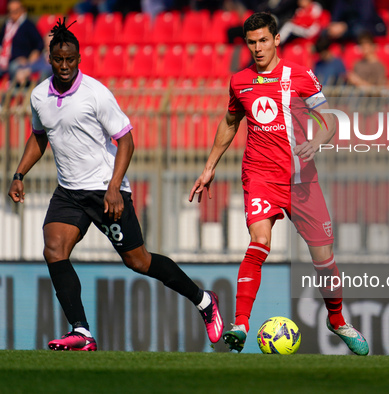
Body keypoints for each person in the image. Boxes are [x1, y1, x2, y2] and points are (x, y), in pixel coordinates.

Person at [7, 19, 223, 351]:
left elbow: (126, 141)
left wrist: (114, 186)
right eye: (59, 59)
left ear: (79, 58)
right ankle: (82, 331)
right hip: (69, 191)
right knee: (53, 248)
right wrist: (20, 174)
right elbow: (39, 137)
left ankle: (203, 299)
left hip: (105, 189)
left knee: (139, 261)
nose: (65, 66)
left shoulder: (96, 94)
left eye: (71, 59)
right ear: (49, 59)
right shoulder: (38, 96)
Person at [189, 12, 369, 356]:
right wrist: (209, 167)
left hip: (302, 180)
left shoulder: (299, 75)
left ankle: (336, 319)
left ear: (276, 40)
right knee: (260, 241)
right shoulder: (239, 81)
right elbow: (230, 122)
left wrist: (317, 141)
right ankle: (240, 324)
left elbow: (328, 118)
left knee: (324, 260)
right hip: (260, 176)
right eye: (251, 42)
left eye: (263, 41)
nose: (258, 48)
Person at [0, 0, 43, 79]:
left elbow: (39, 43)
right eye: (10, 11)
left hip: (19, 61)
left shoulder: (28, 25)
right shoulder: (7, 24)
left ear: (22, 10)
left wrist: (32, 56)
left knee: (13, 68)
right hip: (4, 59)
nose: (13, 14)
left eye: (15, 11)